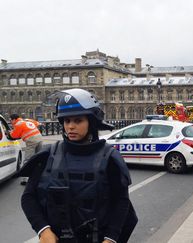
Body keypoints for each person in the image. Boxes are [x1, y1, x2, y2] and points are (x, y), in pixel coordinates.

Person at [20, 88, 138, 243]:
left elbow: (122, 202)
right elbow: (28, 197)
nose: (70, 127)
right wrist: (43, 230)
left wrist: (110, 239)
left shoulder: (109, 158)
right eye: (67, 121)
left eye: (78, 120)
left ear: (92, 122)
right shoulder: (49, 155)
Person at [9, 113, 43, 185]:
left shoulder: (17, 124)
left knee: (28, 159)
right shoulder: (27, 120)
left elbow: (14, 135)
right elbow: (37, 123)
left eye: (11, 120)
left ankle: (25, 179)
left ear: (14, 119)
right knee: (40, 158)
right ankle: (41, 177)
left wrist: (9, 132)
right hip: (40, 138)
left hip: (31, 141)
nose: (10, 122)